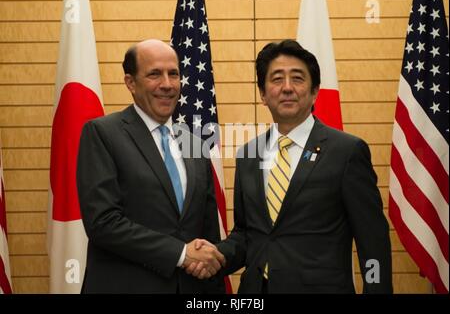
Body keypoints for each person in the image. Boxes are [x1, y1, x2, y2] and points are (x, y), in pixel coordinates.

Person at [193, 39, 393, 293]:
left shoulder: (347, 152)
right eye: (276, 79)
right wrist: (212, 257)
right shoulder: (248, 155)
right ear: (263, 94)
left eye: (297, 78)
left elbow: (372, 242)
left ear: (315, 91)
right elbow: (247, 234)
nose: (287, 88)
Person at [76, 39, 225, 293]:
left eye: (173, 74)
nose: (166, 85)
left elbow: (207, 227)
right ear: (130, 83)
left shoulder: (195, 142)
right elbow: (103, 222)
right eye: (154, 74)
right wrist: (180, 253)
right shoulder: (102, 134)